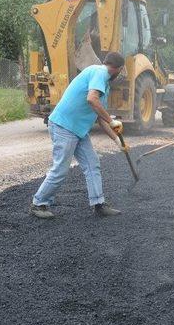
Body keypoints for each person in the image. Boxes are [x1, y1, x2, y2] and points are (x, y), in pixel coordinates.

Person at [29, 52, 127, 219]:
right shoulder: (100, 72)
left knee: (92, 164)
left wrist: (117, 140)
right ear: (117, 69)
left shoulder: (103, 82)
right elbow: (92, 100)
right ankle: (39, 203)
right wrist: (112, 121)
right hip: (64, 126)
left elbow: (99, 117)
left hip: (78, 130)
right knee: (60, 168)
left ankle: (98, 204)